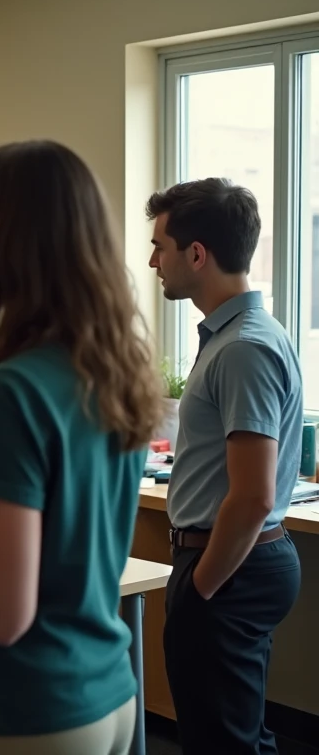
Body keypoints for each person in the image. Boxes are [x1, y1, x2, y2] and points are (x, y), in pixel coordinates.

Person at [0, 140, 163, 755]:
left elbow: (1, 613)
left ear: (3, 237)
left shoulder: (9, 391)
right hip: (107, 689)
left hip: (24, 702)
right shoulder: (113, 370)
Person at [147, 177, 302, 754]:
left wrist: (204, 584)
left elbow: (254, 495)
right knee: (231, 735)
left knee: (224, 744)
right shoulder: (233, 337)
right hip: (233, 560)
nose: (153, 260)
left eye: (160, 246)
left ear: (196, 254)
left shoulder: (243, 348)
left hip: (230, 566)